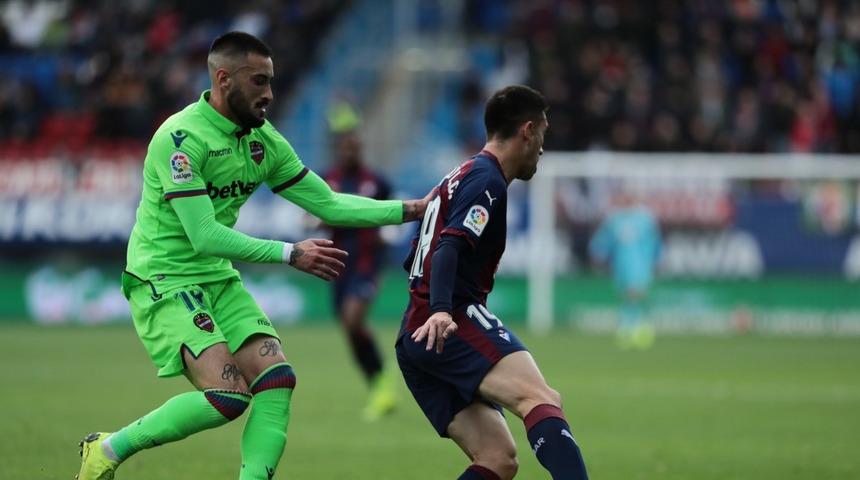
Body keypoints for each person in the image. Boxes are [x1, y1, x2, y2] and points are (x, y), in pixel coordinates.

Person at [76, 31, 429, 480]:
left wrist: (412, 209)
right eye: (259, 82)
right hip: (164, 279)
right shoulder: (181, 139)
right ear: (224, 80)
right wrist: (289, 253)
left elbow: (329, 203)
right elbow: (203, 234)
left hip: (216, 278)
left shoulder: (265, 141)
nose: (269, 94)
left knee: (277, 380)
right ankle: (105, 450)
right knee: (227, 397)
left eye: (271, 81)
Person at [396, 85, 588, 480]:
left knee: (498, 458)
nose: (542, 149)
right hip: (446, 323)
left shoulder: (461, 174)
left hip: (415, 337)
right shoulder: (488, 180)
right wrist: (442, 311)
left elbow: (419, 254)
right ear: (527, 131)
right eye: (543, 135)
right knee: (541, 398)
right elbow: (449, 247)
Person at [321, 104, 397, 421]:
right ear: (338, 149)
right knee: (350, 328)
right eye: (344, 145)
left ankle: (382, 382)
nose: (350, 150)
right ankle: (379, 383)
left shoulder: (377, 182)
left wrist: (387, 239)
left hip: (367, 263)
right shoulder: (326, 180)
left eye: (354, 145)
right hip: (337, 264)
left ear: (360, 148)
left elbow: (392, 219)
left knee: (354, 320)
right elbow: (313, 213)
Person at [589, 192, 661, 349]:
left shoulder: (645, 218)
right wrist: (598, 253)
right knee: (626, 295)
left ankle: (635, 328)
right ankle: (630, 328)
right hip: (620, 264)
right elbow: (602, 240)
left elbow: (655, 242)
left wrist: (655, 260)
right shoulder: (614, 219)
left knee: (635, 293)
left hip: (640, 263)